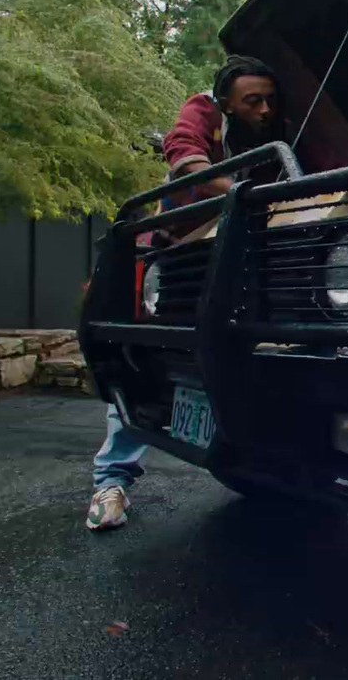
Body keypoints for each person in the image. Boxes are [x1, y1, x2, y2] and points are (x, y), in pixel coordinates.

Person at [86, 55, 282, 531]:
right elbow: (183, 154)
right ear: (227, 105)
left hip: (243, 264)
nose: (263, 110)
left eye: (270, 100)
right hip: (177, 261)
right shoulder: (203, 112)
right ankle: (111, 481)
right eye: (252, 101)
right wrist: (240, 191)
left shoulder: (279, 132)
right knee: (146, 360)